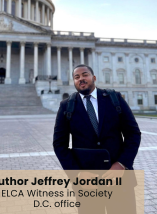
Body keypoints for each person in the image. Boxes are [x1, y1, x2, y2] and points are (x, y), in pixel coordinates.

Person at [53, 64, 141, 214]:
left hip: (119, 179)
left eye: (84, 75)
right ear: (74, 81)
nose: (81, 79)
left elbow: (133, 133)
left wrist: (122, 164)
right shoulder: (67, 106)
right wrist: (78, 174)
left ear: (93, 78)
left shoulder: (114, 98)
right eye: (77, 77)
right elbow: (59, 144)